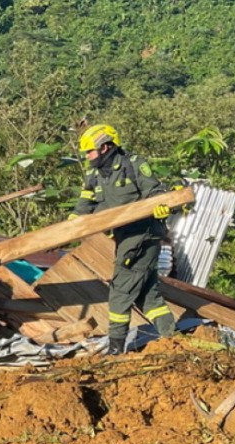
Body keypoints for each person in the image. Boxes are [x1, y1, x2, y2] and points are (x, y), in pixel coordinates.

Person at [72, 124, 178, 355]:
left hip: (143, 236)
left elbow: (156, 193)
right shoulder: (93, 175)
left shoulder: (134, 164)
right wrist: (69, 227)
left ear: (105, 147)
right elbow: (84, 206)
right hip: (123, 238)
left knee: (120, 291)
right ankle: (173, 339)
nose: (88, 157)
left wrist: (161, 207)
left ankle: (116, 349)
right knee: (147, 296)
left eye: (90, 152)